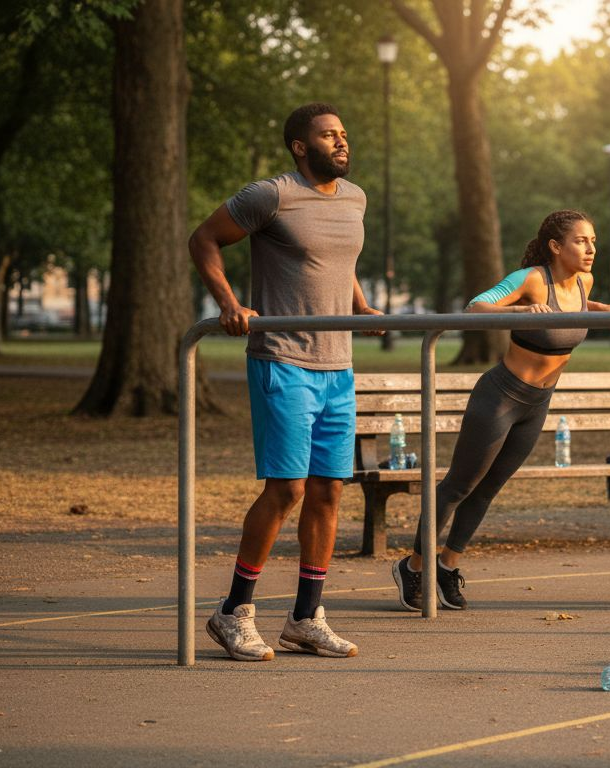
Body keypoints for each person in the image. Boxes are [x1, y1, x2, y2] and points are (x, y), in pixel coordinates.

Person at [189, 103, 383, 660]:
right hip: (282, 358)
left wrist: (363, 306)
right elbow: (202, 240)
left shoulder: (356, 198)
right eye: (329, 135)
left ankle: (305, 618)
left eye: (345, 134)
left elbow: (337, 265)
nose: (341, 142)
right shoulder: (270, 195)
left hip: (337, 365)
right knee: (288, 489)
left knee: (328, 489)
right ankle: (233, 612)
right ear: (300, 146)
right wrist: (229, 303)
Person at [392, 210, 610, 610]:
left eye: (593, 241)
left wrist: (607, 311)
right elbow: (475, 307)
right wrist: (520, 310)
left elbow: (581, 307)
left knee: (489, 488)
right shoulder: (533, 280)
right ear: (556, 246)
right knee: (459, 485)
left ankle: (447, 565)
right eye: (581, 241)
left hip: (538, 402)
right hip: (500, 396)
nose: (591, 249)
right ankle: (413, 567)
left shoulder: (585, 282)